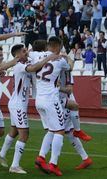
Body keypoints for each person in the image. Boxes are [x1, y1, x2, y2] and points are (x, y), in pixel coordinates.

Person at [0, 44, 59, 174]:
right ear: (18, 55)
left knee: (14, 132)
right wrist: (49, 58)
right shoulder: (19, 66)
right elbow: (35, 67)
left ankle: (1, 154)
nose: (27, 53)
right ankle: (15, 165)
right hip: (18, 104)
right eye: (24, 51)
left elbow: (34, 64)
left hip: (17, 103)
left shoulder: (24, 63)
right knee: (25, 133)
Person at [34, 37, 73, 176]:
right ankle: (53, 164)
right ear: (57, 47)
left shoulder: (37, 55)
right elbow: (70, 67)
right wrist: (67, 57)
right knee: (60, 131)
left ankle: (41, 157)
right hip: (51, 99)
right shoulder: (60, 60)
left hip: (38, 100)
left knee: (51, 130)